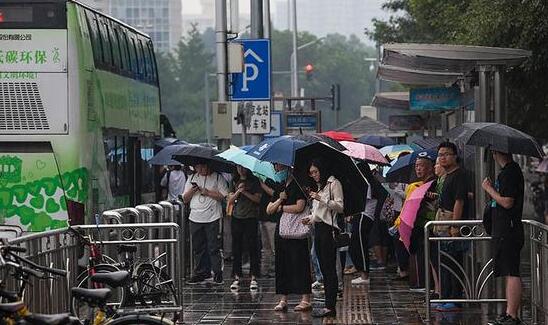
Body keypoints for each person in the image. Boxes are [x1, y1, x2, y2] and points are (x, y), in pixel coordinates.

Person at [483, 150, 524, 325]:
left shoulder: (510, 172)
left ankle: (513, 315)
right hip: (505, 229)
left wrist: (489, 189)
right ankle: (509, 313)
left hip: (509, 229)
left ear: (495, 152)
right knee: (508, 271)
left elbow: (507, 201)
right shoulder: (508, 172)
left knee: (512, 271)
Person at [266, 163, 312, 313]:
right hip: (282, 231)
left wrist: (282, 208)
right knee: (282, 264)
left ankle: (305, 298)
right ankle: (283, 299)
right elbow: (269, 209)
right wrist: (280, 200)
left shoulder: (299, 184)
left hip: (297, 230)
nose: (277, 170)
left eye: (279, 167)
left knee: (300, 263)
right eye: (275, 167)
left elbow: (300, 207)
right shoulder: (280, 187)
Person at [302, 159, 344, 318]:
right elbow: (319, 213)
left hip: (329, 230)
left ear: (322, 169)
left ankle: (330, 306)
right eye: (311, 173)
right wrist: (310, 218)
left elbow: (340, 207)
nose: (313, 175)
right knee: (323, 267)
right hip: (318, 229)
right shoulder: (319, 186)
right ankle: (328, 303)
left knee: (329, 268)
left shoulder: (334, 183)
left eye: (316, 172)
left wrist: (321, 199)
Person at [182, 160, 228, 285]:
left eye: (203, 166)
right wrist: (193, 190)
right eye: (198, 166)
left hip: (213, 217)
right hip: (195, 217)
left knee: (214, 247)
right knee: (198, 247)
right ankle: (201, 272)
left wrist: (207, 192)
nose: (201, 169)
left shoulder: (218, 177)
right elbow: (185, 199)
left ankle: (217, 272)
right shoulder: (191, 177)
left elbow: (224, 196)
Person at [435, 141, 468, 312]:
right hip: (442, 223)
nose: (443, 157)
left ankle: (455, 299)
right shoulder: (446, 176)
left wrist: (455, 225)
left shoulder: (459, 175)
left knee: (454, 262)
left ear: (455, 156)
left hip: (451, 224)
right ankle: (446, 297)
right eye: (440, 155)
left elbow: (459, 201)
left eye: (446, 154)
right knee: (445, 262)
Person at [349, 163, 385, 285]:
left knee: (360, 245)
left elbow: (361, 199)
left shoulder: (367, 184)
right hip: (362, 215)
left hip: (364, 216)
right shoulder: (366, 183)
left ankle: (364, 274)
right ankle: (361, 271)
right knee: (355, 244)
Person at [226, 165, 262, 291]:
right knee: (236, 247)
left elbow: (258, 199)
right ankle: (237, 276)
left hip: (251, 217)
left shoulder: (254, 181)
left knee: (253, 247)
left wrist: (245, 192)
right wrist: (238, 191)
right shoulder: (233, 181)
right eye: (238, 167)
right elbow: (230, 200)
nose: (241, 169)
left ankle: (254, 276)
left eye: (243, 167)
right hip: (236, 217)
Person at [407, 153, 436, 292]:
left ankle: (427, 285)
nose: (418, 169)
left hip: (428, 225)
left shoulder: (432, 184)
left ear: (430, 168)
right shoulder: (419, 184)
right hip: (420, 225)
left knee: (429, 257)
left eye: (421, 166)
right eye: (416, 166)